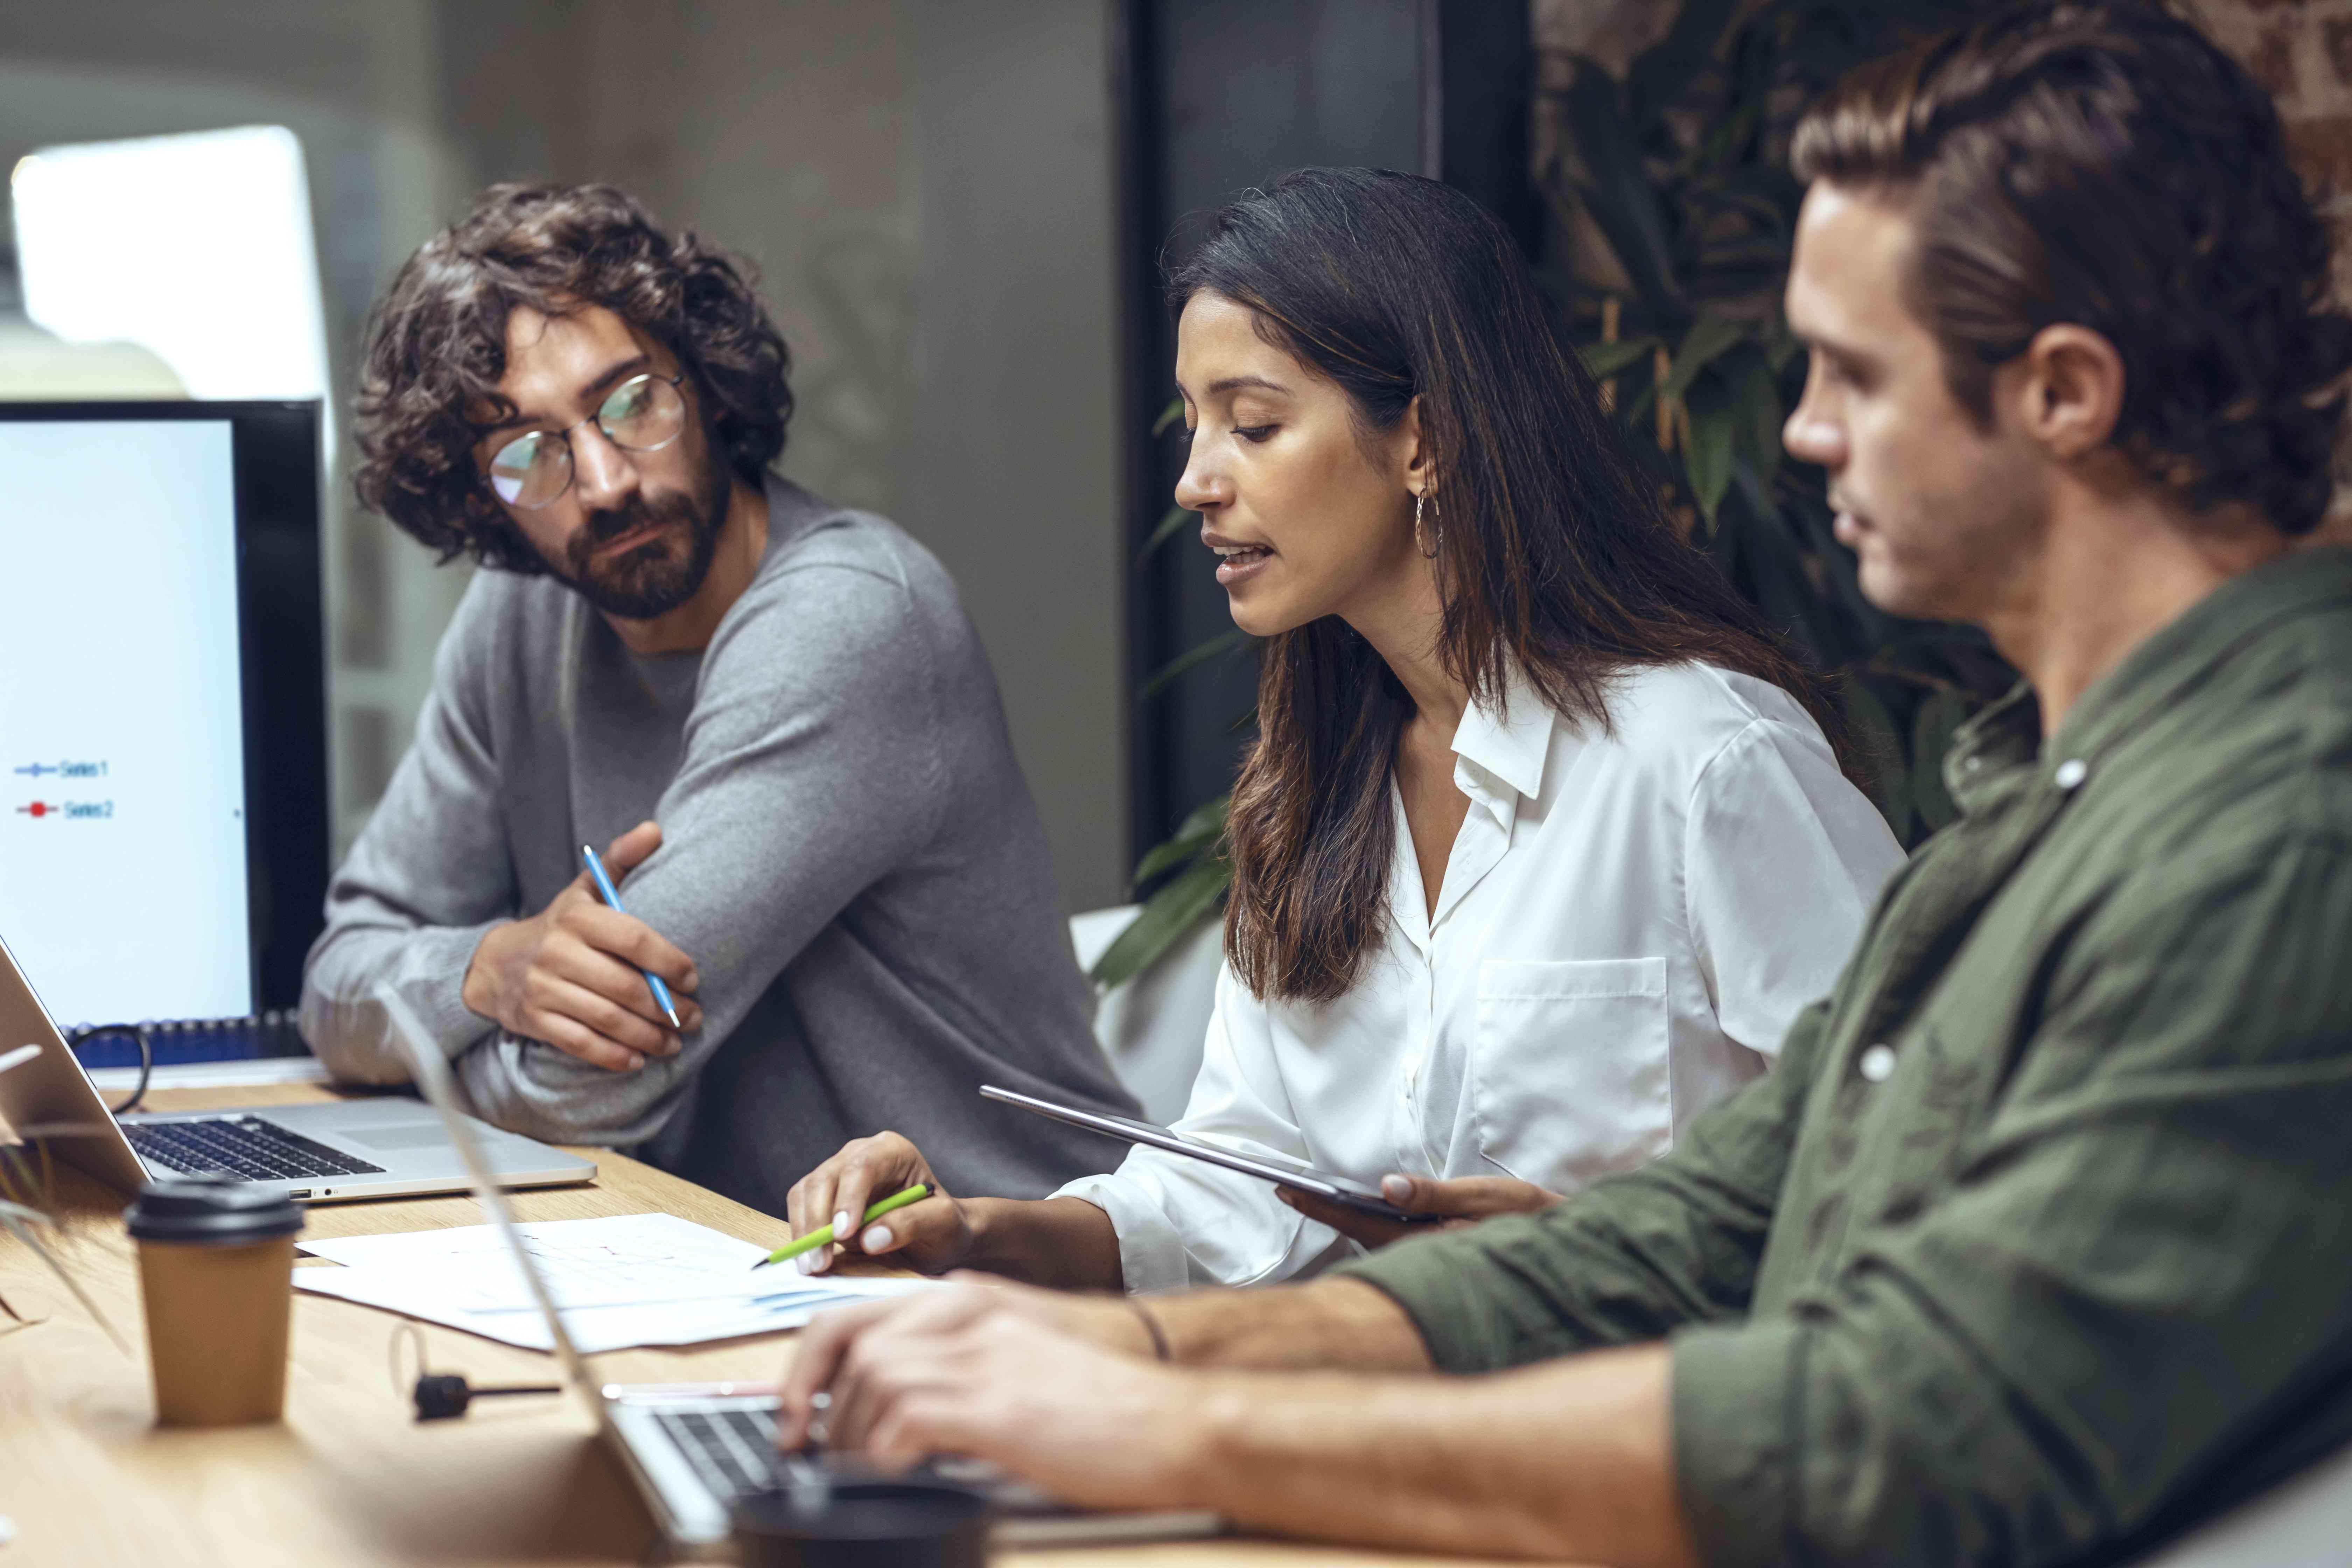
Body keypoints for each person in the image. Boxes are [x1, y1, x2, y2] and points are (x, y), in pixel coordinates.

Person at [770, 6, 2352, 1563]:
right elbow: (1680, 1234)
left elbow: (1912, 1424)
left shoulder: (2278, 829)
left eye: (1854, 376)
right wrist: (1128, 1353)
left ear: (2065, 393)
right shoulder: (2042, 816)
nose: (1798, 431)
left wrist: (1174, 1422)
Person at [782, 167, 1901, 1291]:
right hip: (1372, 1425)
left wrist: (1599, 1255)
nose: (1193, 482)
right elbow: (1223, 1191)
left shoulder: (1706, 759)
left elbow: (1919, 1184)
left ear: (1426, 440)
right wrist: (968, 1234)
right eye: (1194, 426)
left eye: (1255, 426)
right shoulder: (1313, 793)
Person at [299, 184, 1140, 1217]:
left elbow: (581, 1096)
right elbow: (336, 982)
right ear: (480, 499)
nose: (605, 483)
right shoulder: (515, 621)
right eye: (529, 454)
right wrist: (487, 971)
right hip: (708, 1261)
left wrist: (421, 1063)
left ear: (703, 382)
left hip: (986, 1282)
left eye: (631, 402)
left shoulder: (849, 621)